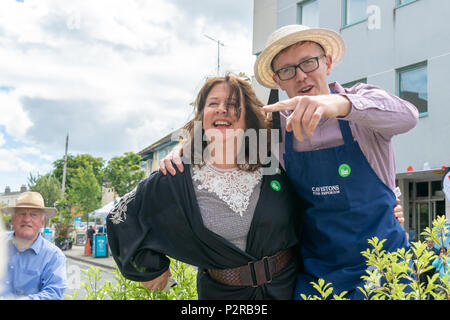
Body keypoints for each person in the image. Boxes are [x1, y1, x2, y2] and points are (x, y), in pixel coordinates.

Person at [161, 24, 417, 299]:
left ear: (327, 63)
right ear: (277, 80)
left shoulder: (361, 107)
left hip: (387, 272)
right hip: (318, 278)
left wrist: (339, 105)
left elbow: (409, 116)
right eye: (287, 70)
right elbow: (222, 134)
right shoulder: (273, 131)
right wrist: (186, 149)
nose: (300, 75)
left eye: (309, 62)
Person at [106, 74, 307, 300]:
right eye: (213, 103)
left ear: (248, 116)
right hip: (220, 295)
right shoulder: (177, 173)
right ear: (202, 116)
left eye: (233, 104)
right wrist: (149, 269)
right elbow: (119, 216)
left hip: (287, 288)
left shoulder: (273, 162)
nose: (222, 109)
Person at [1, 191, 67, 300]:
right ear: (13, 219)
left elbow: (54, 294)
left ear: (42, 221)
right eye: (22, 213)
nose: (27, 219)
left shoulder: (54, 256)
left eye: (33, 214)